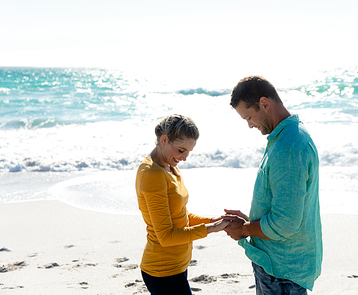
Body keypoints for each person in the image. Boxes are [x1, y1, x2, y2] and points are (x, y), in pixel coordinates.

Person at [223, 76, 322, 295]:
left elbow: (285, 223)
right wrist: (251, 219)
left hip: (281, 270)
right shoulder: (288, 135)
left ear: (264, 104)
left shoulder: (289, 147)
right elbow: (287, 208)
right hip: (280, 263)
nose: (250, 125)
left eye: (249, 117)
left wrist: (245, 230)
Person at [135, 114, 229, 295]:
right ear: (164, 140)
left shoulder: (169, 166)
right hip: (163, 270)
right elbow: (166, 236)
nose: (184, 157)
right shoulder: (152, 175)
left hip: (177, 265)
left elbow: (180, 214)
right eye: (181, 150)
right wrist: (211, 228)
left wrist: (213, 219)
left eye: (188, 152)